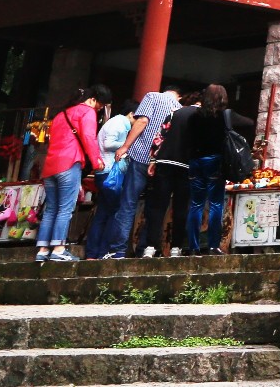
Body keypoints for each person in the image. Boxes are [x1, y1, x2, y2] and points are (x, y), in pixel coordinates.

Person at [178, 84, 252, 256]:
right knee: (216, 204)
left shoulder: (193, 117)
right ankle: (213, 245)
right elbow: (249, 123)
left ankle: (193, 246)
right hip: (216, 162)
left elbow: (188, 140)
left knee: (196, 204)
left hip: (196, 162)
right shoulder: (225, 115)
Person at [37, 86, 108, 262]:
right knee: (65, 209)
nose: (99, 108)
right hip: (70, 162)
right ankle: (59, 249)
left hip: (51, 165)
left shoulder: (61, 115)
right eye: (100, 105)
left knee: (51, 209)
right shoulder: (87, 112)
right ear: (93, 99)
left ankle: (43, 249)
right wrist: (96, 160)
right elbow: (88, 137)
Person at [122, 84, 179, 258]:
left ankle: (118, 249)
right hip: (161, 162)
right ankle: (144, 248)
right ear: (178, 96)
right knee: (154, 208)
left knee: (128, 204)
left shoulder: (152, 97)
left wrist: (125, 146)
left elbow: (142, 120)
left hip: (140, 157)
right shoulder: (179, 108)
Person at [144, 88, 200, 256]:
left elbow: (159, 137)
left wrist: (153, 159)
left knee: (158, 206)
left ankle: (151, 247)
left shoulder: (175, 113)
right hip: (187, 166)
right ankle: (176, 247)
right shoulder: (202, 117)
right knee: (181, 207)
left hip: (166, 161)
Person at [82, 98, 135, 258]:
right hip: (110, 173)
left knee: (102, 213)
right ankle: (104, 251)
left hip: (104, 172)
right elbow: (108, 143)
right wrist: (128, 143)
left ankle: (92, 253)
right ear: (132, 114)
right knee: (114, 212)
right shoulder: (119, 123)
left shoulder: (116, 122)